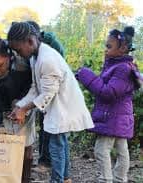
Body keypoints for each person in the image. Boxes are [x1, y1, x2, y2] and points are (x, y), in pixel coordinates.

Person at [7, 21, 94, 183]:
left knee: (56, 147)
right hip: (58, 106)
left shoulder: (47, 59)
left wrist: (24, 109)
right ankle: (65, 178)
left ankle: (57, 180)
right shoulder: (35, 57)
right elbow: (35, 89)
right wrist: (20, 106)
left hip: (64, 106)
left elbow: (47, 94)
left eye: (18, 50)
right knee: (60, 144)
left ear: (31, 41)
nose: (18, 54)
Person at [75, 26, 137, 183]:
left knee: (102, 150)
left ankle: (106, 179)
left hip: (112, 117)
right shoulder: (120, 66)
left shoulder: (122, 68)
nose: (105, 50)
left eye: (109, 46)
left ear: (123, 48)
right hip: (118, 117)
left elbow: (108, 93)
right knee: (122, 150)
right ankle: (119, 179)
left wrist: (86, 75)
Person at [0, 33, 36, 183]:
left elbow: (33, 88)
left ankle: (25, 178)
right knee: (7, 148)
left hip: (26, 106)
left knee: (25, 148)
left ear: (9, 57)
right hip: (7, 111)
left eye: (0, 64)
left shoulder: (23, 67)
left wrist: (21, 105)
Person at [26, 20, 66, 170]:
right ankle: (48, 162)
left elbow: (55, 74)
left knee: (54, 132)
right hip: (42, 89)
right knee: (44, 126)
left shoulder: (51, 47)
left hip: (54, 91)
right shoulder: (34, 51)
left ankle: (50, 165)